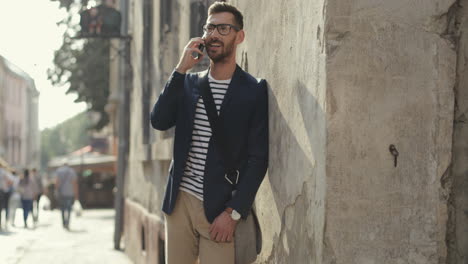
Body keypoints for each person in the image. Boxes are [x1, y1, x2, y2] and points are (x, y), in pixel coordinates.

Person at [150, 2, 269, 263]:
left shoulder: (253, 90)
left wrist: (234, 212)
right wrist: (180, 69)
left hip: (219, 209)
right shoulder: (189, 82)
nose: (214, 34)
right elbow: (159, 121)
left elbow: (258, 159)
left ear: (239, 36)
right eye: (210, 27)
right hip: (179, 202)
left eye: (223, 28)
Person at [55, 163, 79, 230]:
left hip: (62, 193)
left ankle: (63, 222)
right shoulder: (72, 171)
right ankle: (67, 222)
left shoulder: (59, 171)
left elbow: (57, 182)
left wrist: (56, 190)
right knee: (68, 209)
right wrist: (76, 194)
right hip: (70, 192)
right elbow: (74, 183)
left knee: (62, 209)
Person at [0, 165, 13, 229]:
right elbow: (10, 181)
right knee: (5, 207)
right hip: (3, 191)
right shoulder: (4, 172)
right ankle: (5, 221)